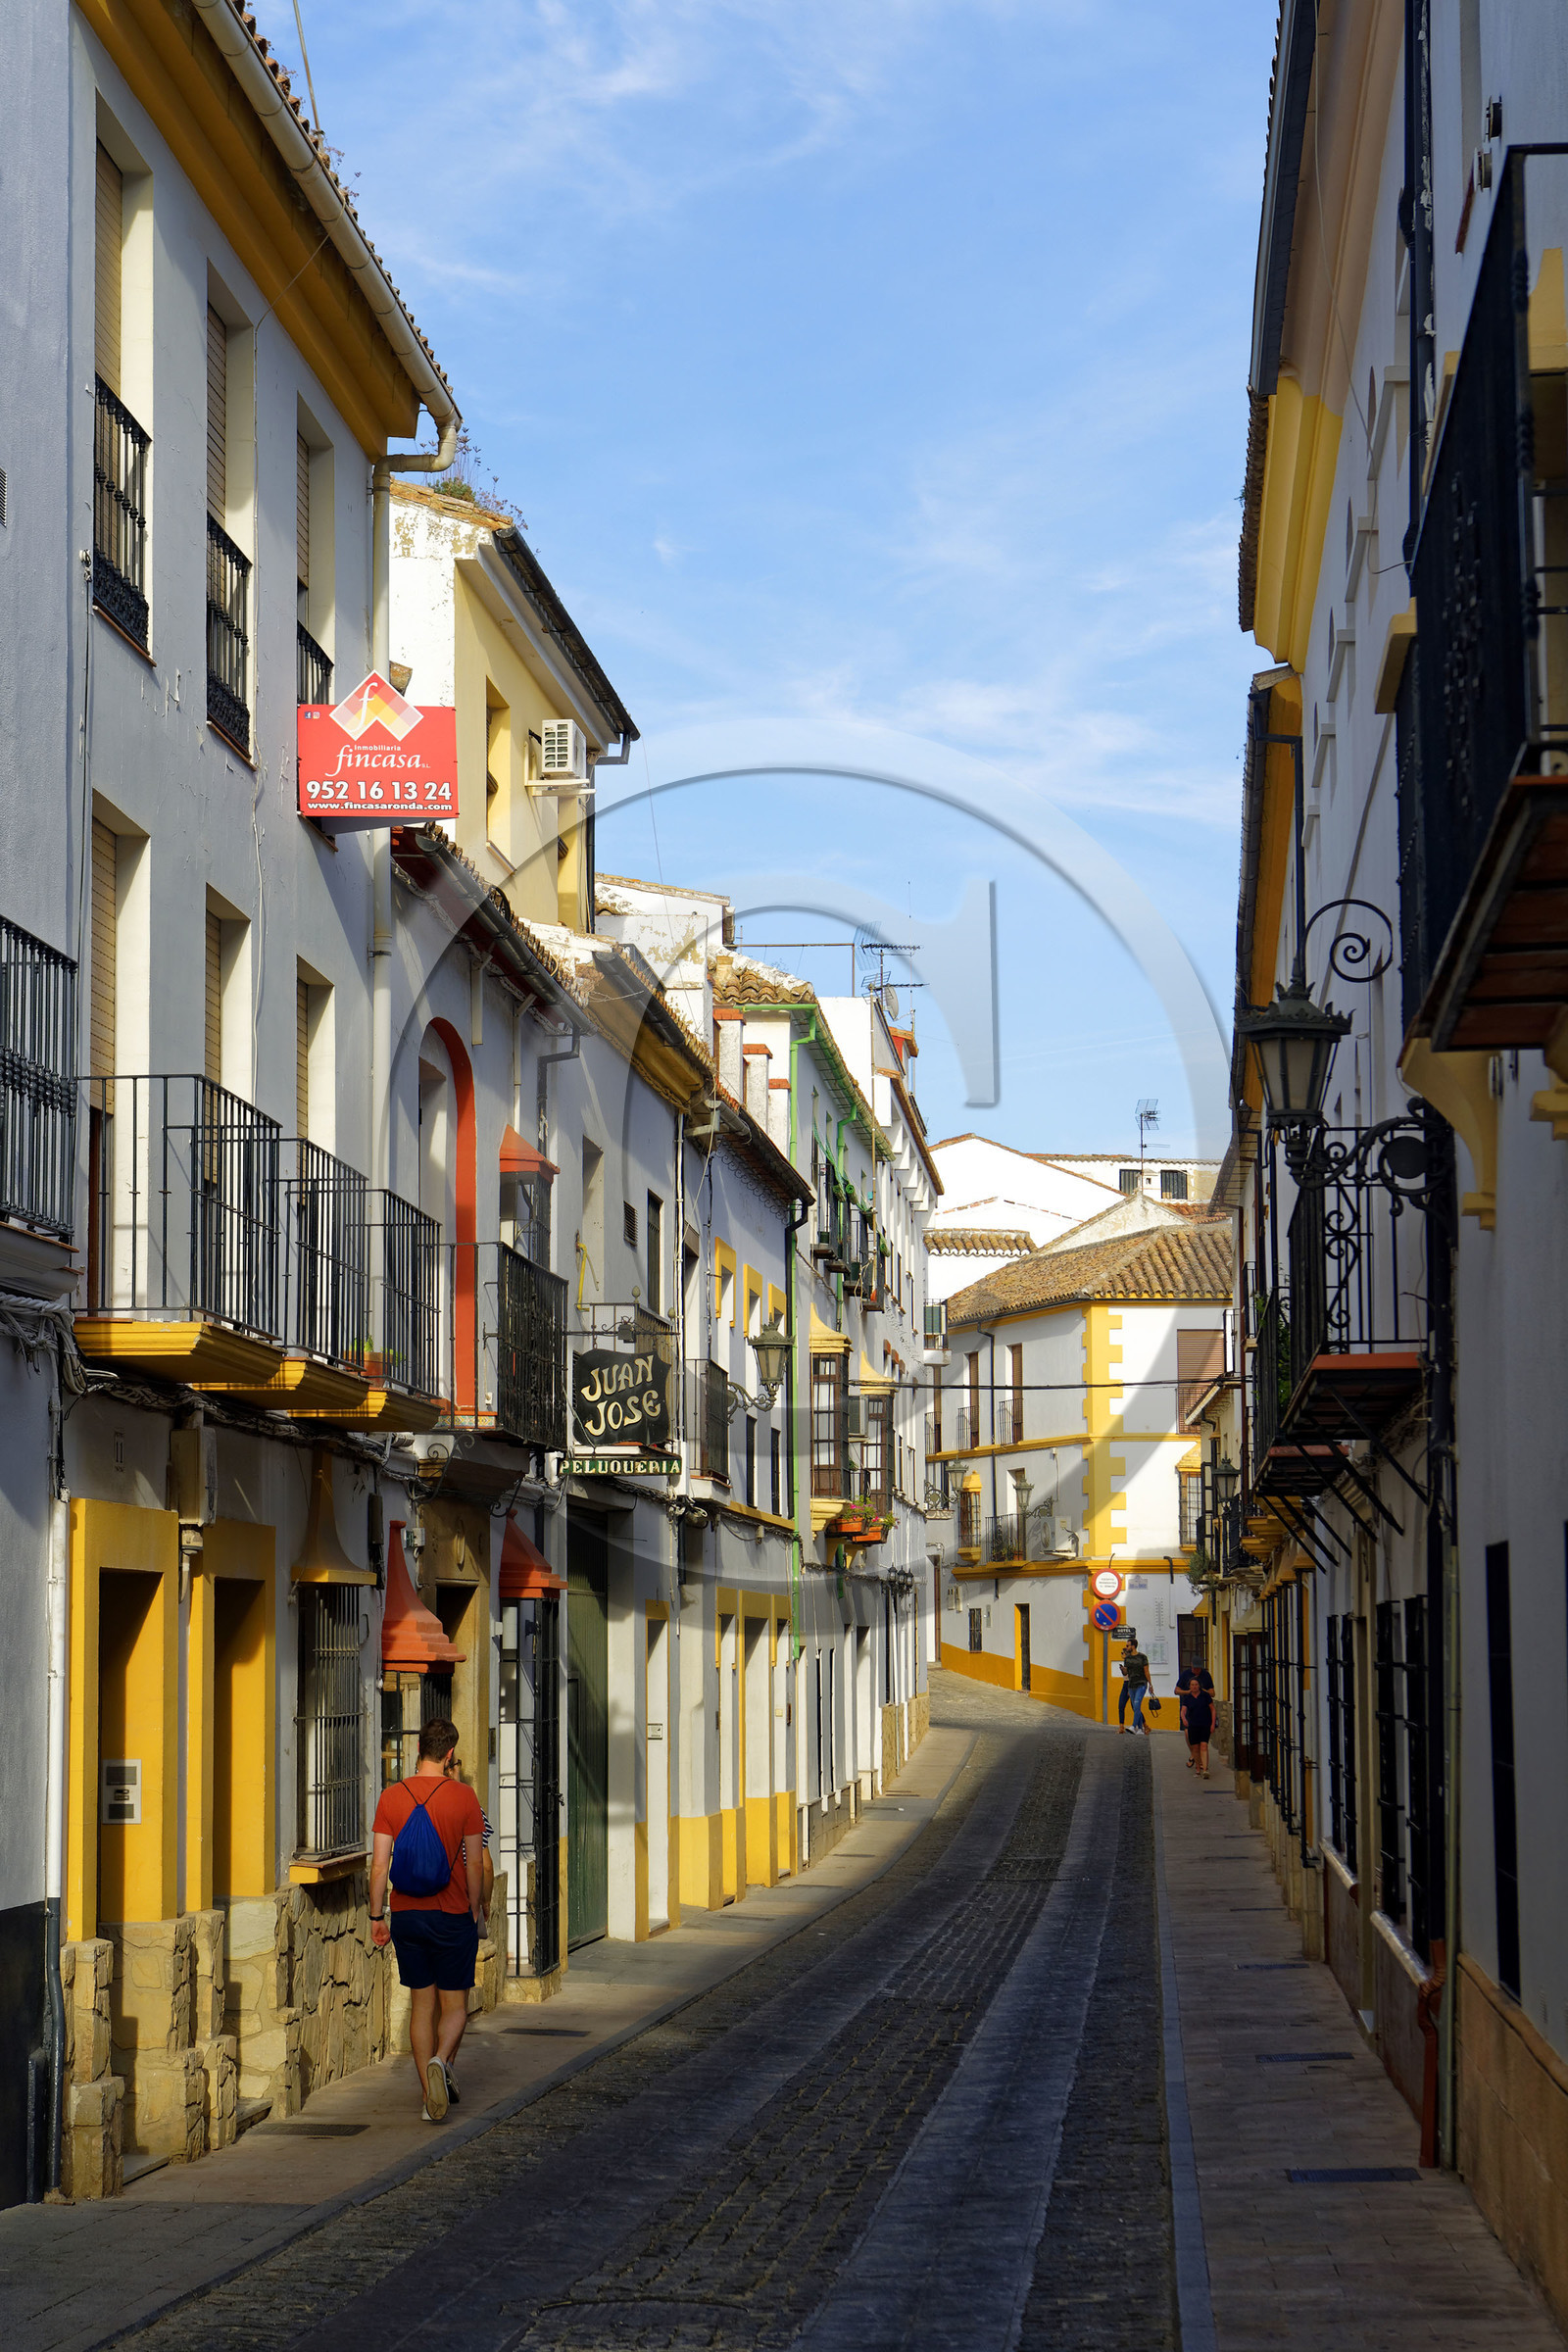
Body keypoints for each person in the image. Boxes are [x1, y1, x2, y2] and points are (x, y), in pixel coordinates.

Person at [369, 1717, 484, 2123]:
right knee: (454, 2005)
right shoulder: (464, 1798)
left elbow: (380, 1864)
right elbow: (473, 1865)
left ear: (419, 1748)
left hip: (406, 1914)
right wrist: (475, 1908)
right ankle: (440, 2061)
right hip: (452, 1913)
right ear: (449, 1753)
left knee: (422, 2006)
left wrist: (375, 1915)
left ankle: (427, 2096)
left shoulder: (390, 1797)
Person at [1176, 1659, 1216, 1778]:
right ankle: (1194, 1757)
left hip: (1204, 1720)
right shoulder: (1185, 1675)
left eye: (1198, 1669)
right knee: (1192, 1741)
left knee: (1203, 1745)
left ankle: (1204, 1768)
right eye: (1194, 1668)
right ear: (1191, 1666)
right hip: (1191, 1717)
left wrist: (1203, 1691)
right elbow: (1176, 1691)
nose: (1196, 1671)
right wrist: (1187, 1691)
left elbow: (1212, 1694)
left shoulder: (1206, 1676)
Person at [1120, 1641, 1152, 1734]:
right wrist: (1123, 1670)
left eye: (1128, 1645)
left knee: (1137, 1704)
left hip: (1141, 1684)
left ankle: (1134, 1726)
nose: (1126, 1647)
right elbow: (1127, 1673)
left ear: (1133, 1646)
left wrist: (1150, 1684)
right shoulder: (1127, 1659)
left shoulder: (1142, 1657)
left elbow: (1146, 1671)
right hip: (1131, 1685)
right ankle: (1141, 1729)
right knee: (1135, 1707)